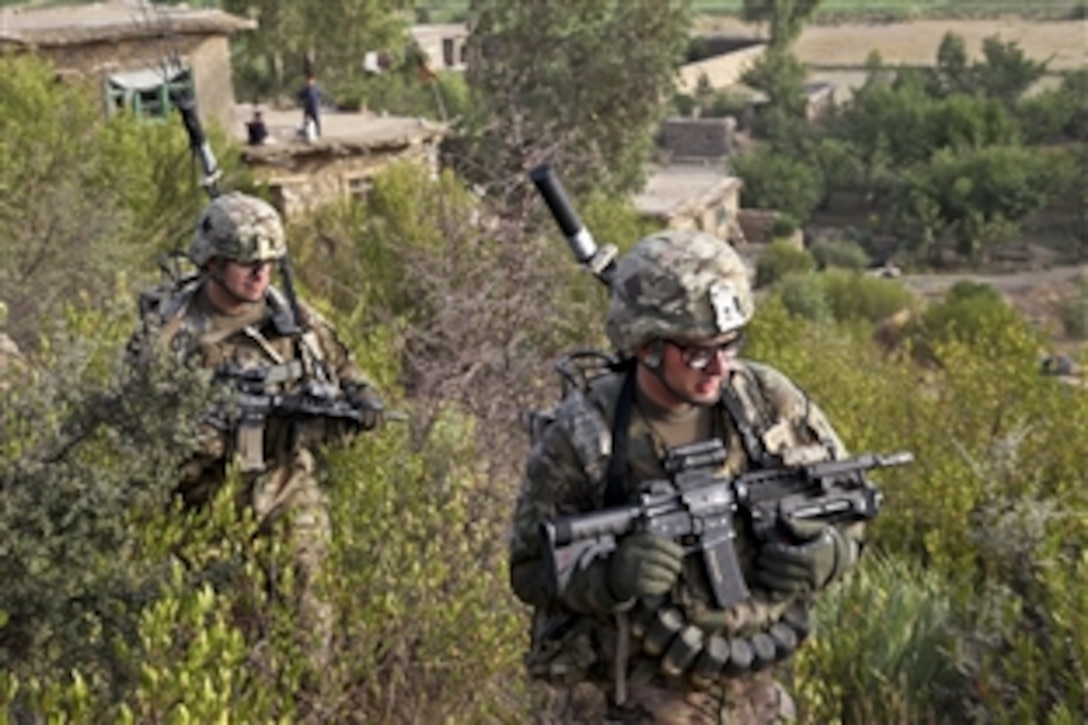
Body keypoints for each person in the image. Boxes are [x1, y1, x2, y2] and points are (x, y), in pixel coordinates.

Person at [509, 230, 865, 723]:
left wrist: (834, 551)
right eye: (698, 351)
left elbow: (848, 497)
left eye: (730, 343)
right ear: (646, 345)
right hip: (625, 704)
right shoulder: (585, 433)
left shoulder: (765, 401)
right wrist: (608, 578)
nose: (719, 365)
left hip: (754, 699)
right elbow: (529, 570)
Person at [128, 191, 385, 672]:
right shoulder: (169, 333)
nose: (260, 274)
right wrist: (207, 437)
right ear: (213, 264)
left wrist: (363, 400)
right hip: (197, 500)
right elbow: (139, 430)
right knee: (206, 632)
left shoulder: (292, 318)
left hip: (283, 480)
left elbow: (348, 368)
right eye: (247, 264)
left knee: (307, 597)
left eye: (268, 262)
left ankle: (311, 698)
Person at [297, 75, 322, 139]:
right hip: (307, 108)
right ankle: (305, 132)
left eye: (311, 81)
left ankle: (318, 133)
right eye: (308, 81)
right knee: (306, 121)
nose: (310, 83)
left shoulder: (317, 89)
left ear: (314, 82)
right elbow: (299, 95)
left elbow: (320, 95)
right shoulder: (305, 90)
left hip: (314, 107)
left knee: (316, 120)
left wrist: (318, 102)